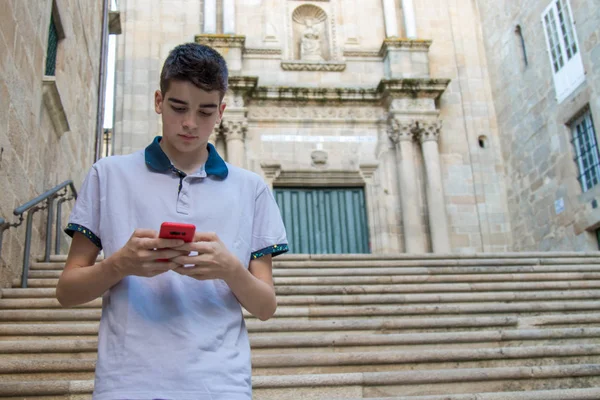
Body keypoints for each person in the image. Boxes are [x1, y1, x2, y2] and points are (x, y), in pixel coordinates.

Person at [56, 42, 289, 400]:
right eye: (178, 107)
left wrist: (230, 269)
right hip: (127, 382)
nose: (190, 123)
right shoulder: (109, 175)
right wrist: (120, 264)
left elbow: (266, 306)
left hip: (221, 384)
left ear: (222, 112)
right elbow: (67, 291)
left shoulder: (252, 189)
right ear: (158, 101)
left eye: (206, 112)